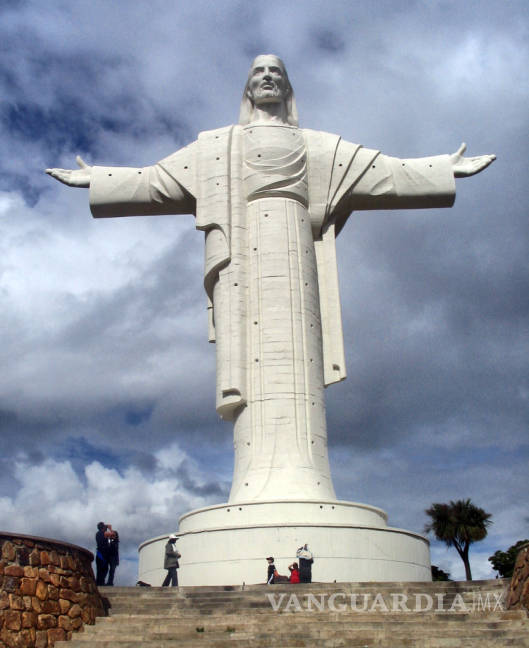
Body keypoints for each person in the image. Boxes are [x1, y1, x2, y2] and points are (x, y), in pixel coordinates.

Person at [46, 55, 495, 505]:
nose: (266, 78)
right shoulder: (218, 146)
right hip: (244, 259)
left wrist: (441, 168)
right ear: (247, 89)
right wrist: (98, 179)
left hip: (297, 247)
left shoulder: (319, 146)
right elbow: (156, 181)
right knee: (252, 369)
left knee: (299, 362)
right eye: (258, 73)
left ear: (287, 87)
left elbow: (386, 173)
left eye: (275, 73)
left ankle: (308, 482)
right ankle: (254, 481)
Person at [95, 522, 109, 586]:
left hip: (99, 552)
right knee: (104, 568)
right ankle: (101, 582)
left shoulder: (97, 534)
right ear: (102, 527)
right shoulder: (103, 533)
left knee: (99, 568)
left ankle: (99, 582)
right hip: (103, 552)